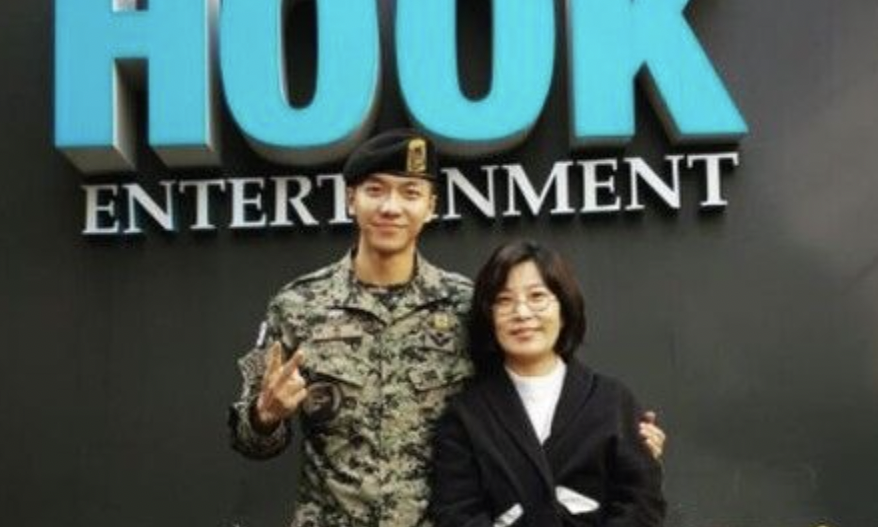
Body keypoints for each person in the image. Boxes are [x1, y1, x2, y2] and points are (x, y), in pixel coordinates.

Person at [229, 130, 666, 527]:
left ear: (431, 206)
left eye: (410, 192)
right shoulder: (297, 306)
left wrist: (624, 444)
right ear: (350, 199)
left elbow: (522, 403)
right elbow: (248, 440)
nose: (391, 207)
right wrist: (265, 417)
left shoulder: (465, 305)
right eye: (375, 190)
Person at [431, 240, 666, 527]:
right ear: (489, 316)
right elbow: (456, 513)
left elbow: (642, 503)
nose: (522, 313)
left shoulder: (613, 402)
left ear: (564, 309)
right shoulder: (465, 416)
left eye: (537, 296)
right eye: (504, 300)